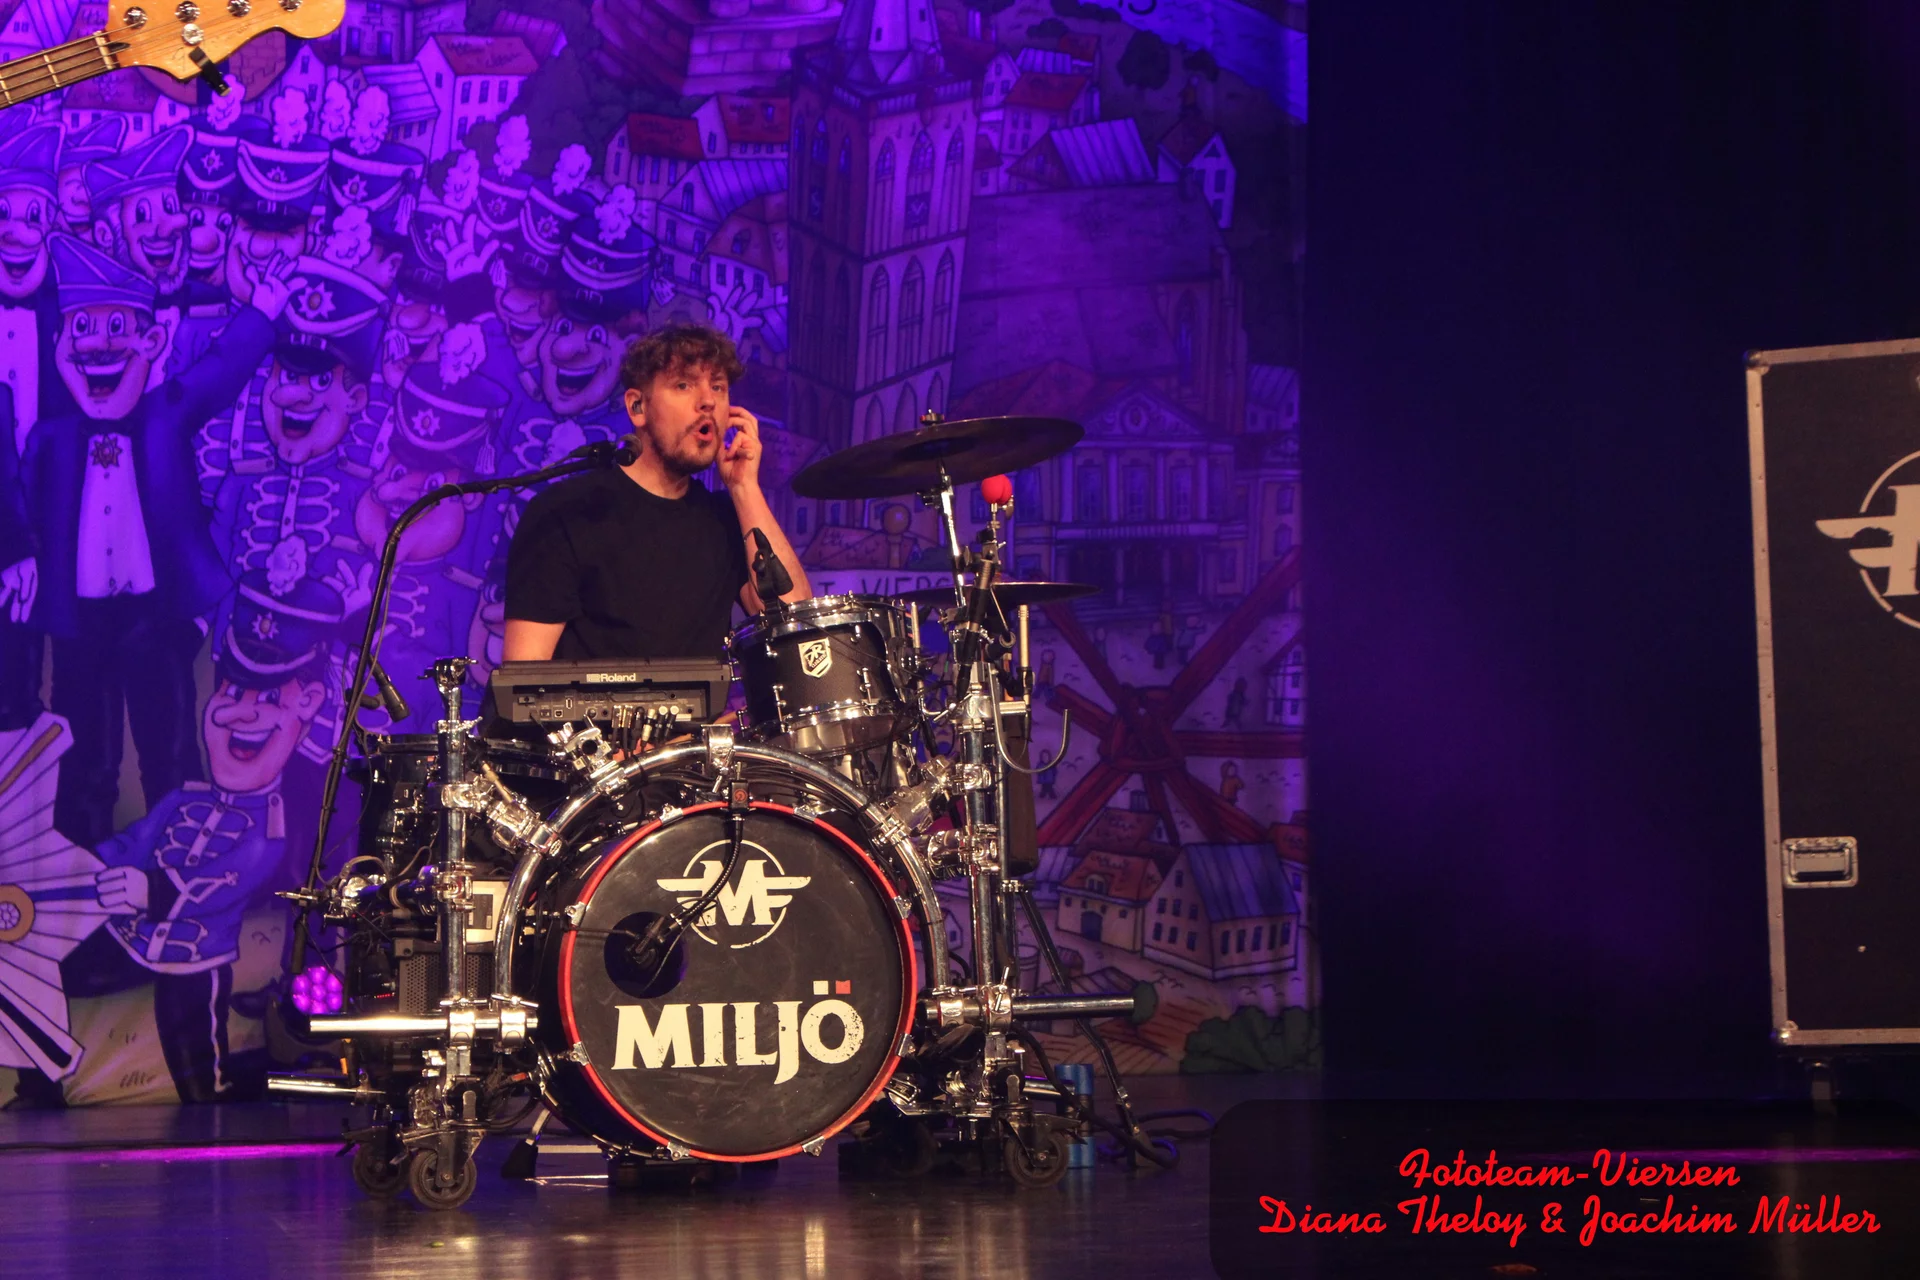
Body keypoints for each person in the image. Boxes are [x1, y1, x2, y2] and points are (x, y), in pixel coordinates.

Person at [503, 324, 810, 663]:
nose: (708, 402)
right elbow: (524, 677)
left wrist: (744, 487)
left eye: (718, 387)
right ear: (637, 407)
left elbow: (796, 624)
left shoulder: (726, 519)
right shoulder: (567, 512)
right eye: (683, 385)